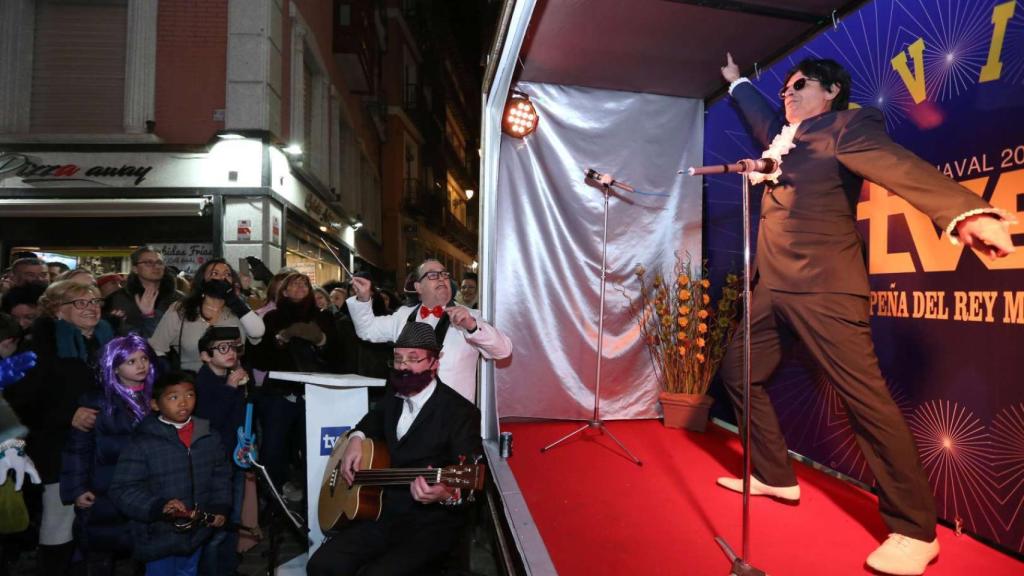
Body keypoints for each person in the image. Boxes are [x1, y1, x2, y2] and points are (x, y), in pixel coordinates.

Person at [716, 54, 1015, 576]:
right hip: (773, 288)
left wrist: (966, 212)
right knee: (739, 372)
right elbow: (761, 114)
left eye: (799, 85)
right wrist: (738, 82)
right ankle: (774, 475)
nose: (787, 94)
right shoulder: (784, 137)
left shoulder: (847, 128)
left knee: (866, 403)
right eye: (784, 88)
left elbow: (898, 167)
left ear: (831, 91)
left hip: (825, 290)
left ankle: (915, 531)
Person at [306, 322, 482, 576]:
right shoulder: (394, 396)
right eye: (398, 359)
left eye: (413, 359)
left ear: (435, 362)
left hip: (431, 526)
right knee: (322, 565)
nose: (403, 367)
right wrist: (356, 438)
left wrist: (444, 493)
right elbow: (372, 420)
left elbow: (469, 482)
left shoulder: (460, 413)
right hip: (383, 514)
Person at [3, 280, 115, 575]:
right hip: (57, 447)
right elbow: (20, 402)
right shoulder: (40, 346)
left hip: (105, 443)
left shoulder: (110, 340)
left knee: (103, 518)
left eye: (94, 301)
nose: (91, 308)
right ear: (56, 310)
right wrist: (68, 415)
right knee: (60, 519)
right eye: (80, 303)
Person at [110, 371, 231, 576]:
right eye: (173, 397)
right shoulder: (143, 442)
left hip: (197, 532)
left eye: (189, 395)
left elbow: (221, 475)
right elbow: (122, 489)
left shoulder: (209, 436)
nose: (183, 402)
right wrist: (158, 506)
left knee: (189, 571)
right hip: (158, 535)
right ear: (155, 404)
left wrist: (219, 507)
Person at [348, 259, 512, 403]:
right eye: (433, 275)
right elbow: (367, 330)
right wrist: (363, 298)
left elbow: (503, 350)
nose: (441, 278)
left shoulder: (471, 316)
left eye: (444, 274)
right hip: (411, 418)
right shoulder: (403, 316)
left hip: (453, 419)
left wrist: (472, 326)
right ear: (418, 286)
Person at [60, 335, 158, 575]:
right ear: (113, 367)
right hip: (103, 491)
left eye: (144, 358)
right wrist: (77, 488)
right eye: (131, 361)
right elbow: (78, 448)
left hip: (144, 491)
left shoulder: (157, 399)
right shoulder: (98, 403)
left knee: (140, 554)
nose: (140, 365)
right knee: (101, 553)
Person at [252, 272, 337, 490]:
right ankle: (273, 501)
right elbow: (259, 360)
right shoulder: (271, 318)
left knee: (313, 452)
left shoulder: (323, 317)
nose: (299, 287)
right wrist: (281, 339)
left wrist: (321, 340)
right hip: (279, 394)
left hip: (316, 395)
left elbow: (338, 358)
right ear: (284, 290)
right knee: (273, 450)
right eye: (294, 284)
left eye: (304, 284)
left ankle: (315, 501)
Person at [194, 326, 248, 576]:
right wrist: (230, 387)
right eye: (222, 348)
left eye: (234, 347)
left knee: (233, 520)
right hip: (215, 465)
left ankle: (229, 569)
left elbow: (239, 419)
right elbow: (208, 421)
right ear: (206, 356)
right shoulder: (200, 383)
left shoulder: (233, 376)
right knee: (215, 525)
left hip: (235, 457)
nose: (231, 352)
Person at [149, 259, 265, 372]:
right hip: (192, 385)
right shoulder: (181, 309)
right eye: (215, 273)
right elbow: (157, 347)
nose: (222, 278)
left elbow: (257, 332)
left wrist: (233, 299)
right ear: (202, 280)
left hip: (231, 384)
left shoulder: (239, 311)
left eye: (227, 274)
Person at [105, 247, 184, 338]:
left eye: (159, 263)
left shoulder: (179, 299)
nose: (156, 266)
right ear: (135, 269)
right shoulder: (116, 299)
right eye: (148, 263)